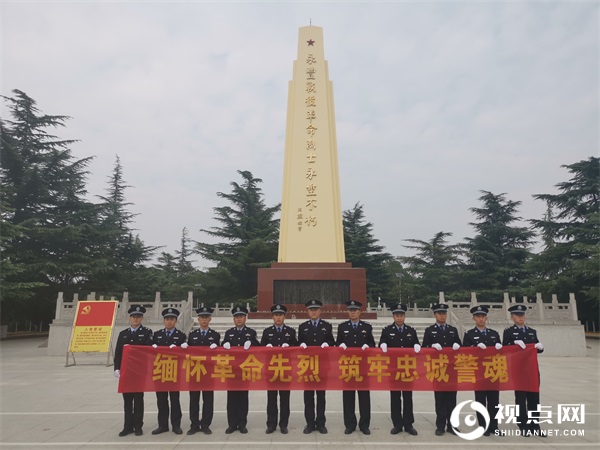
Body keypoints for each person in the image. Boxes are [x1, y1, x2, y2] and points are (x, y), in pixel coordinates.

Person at [502, 304, 545, 436]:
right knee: (521, 399)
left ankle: (535, 425)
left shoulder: (532, 331)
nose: (520, 318)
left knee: (534, 398)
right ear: (512, 317)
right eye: (517, 315)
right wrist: (513, 344)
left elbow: (536, 348)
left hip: (532, 370)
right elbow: (504, 349)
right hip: (518, 370)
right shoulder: (508, 332)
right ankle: (523, 424)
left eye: (522, 315)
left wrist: (540, 347)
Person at [378, 303, 420, 436]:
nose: (399, 318)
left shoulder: (411, 331)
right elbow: (381, 344)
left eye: (401, 315)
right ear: (393, 316)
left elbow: (417, 344)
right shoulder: (387, 330)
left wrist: (417, 346)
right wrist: (383, 344)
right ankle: (397, 424)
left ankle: (408, 424)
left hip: (407, 369)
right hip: (394, 369)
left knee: (408, 397)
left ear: (404, 316)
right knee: (395, 397)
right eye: (397, 315)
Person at [335, 300, 375, 435]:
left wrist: (367, 347)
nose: (352, 312)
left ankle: (364, 425)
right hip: (348, 366)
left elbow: (372, 344)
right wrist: (340, 346)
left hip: (363, 367)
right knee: (348, 397)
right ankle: (350, 424)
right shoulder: (342, 327)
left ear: (360, 312)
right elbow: (338, 344)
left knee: (364, 396)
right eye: (350, 310)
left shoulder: (367, 327)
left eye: (355, 310)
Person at [422, 303, 462, 436]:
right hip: (438, 370)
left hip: (451, 370)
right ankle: (440, 426)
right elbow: (424, 348)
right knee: (439, 400)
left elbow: (460, 347)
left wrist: (458, 345)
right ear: (435, 315)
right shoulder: (429, 330)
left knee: (452, 400)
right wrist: (431, 345)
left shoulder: (452, 330)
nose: (442, 315)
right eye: (439, 313)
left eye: (444, 313)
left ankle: (453, 426)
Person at [114, 304, 154, 437]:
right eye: (133, 317)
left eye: (138, 317)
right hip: (126, 372)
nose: (135, 319)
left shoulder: (147, 332)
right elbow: (118, 353)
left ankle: (138, 426)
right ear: (130, 318)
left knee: (138, 400)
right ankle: (127, 426)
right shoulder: (123, 334)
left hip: (139, 372)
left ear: (142, 318)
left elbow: (148, 351)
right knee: (127, 400)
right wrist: (116, 368)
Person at [463, 305, 503, 436]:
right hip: (479, 372)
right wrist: (474, 347)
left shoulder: (494, 334)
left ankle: (494, 425)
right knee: (480, 400)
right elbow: (465, 354)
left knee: (494, 401)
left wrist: (499, 347)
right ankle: (483, 425)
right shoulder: (469, 335)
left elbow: (501, 354)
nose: (480, 319)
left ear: (486, 317)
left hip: (493, 371)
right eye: (478, 316)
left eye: (483, 316)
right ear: (473, 318)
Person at [297, 299, 335, 434]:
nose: (313, 312)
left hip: (322, 366)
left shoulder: (327, 326)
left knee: (320, 396)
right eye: (311, 310)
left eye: (316, 309)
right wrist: (300, 345)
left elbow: (332, 342)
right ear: (307, 312)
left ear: (320, 311)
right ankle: (309, 423)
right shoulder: (303, 327)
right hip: (307, 366)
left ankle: (320, 423)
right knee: (308, 396)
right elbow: (299, 343)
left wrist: (327, 344)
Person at [222, 305, 260, 434]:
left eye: (241, 317)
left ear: (245, 318)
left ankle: (242, 424)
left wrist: (252, 343)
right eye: (236, 317)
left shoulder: (251, 333)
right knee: (231, 399)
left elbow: (259, 347)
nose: (239, 319)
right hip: (231, 370)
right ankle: (232, 424)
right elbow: (223, 347)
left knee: (243, 398)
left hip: (244, 370)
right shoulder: (229, 333)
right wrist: (224, 344)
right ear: (234, 319)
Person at [261, 304, 298, 434]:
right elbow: (261, 350)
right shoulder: (267, 332)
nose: (278, 317)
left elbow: (296, 348)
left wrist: (290, 346)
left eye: (280, 315)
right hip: (271, 370)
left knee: (284, 399)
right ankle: (271, 424)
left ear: (284, 316)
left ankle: (283, 424)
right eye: (276, 315)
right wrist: (267, 347)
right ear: (272, 317)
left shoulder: (291, 332)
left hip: (285, 370)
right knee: (271, 399)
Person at [184, 306, 220, 435]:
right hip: (194, 372)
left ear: (210, 319)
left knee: (208, 400)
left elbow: (219, 355)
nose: (204, 320)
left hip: (209, 373)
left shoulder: (215, 335)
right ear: (198, 319)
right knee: (194, 400)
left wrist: (218, 347)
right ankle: (194, 424)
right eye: (202, 318)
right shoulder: (192, 335)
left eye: (206, 317)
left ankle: (205, 424)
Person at [151, 307, 186, 435]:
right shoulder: (157, 335)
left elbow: (185, 355)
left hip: (174, 372)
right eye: (167, 319)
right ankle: (162, 425)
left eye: (171, 319)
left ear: (176, 321)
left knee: (175, 400)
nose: (169, 322)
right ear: (164, 321)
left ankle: (176, 425)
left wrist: (181, 348)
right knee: (161, 400)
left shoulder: (181, 336)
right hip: (160, 371)